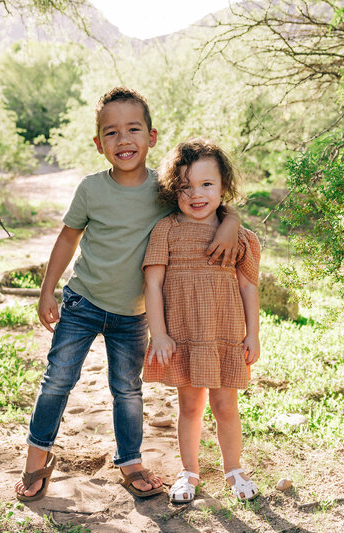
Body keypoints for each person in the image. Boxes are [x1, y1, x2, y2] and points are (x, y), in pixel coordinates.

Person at [15, 88, 242, 501]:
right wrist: (47, 291)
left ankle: (130, 461)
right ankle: (36, 458)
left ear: (151, 137)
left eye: (133, 129)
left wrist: (231, 220)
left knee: (127, 389)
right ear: (98, 143)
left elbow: (205, 200)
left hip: (133, 314)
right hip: (82, 302)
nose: (124, 140)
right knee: (57, 380)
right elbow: (67, 240)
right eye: (112, 132)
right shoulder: (91, 189)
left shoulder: (164, 188)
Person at [142, 138, 261, 504]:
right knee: (190, 407)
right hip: (185, 336)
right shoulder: (167, 230)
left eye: (206, 184)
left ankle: (233, 469)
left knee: (226, 406)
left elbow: (248, 287)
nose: (196, 194)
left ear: (223, 187)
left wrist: (253, 335)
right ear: (172, 190)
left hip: (223, 334)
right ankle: (189, 472)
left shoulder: (239, 238)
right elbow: (153, 282)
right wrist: (159, 334)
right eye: (185, 186)